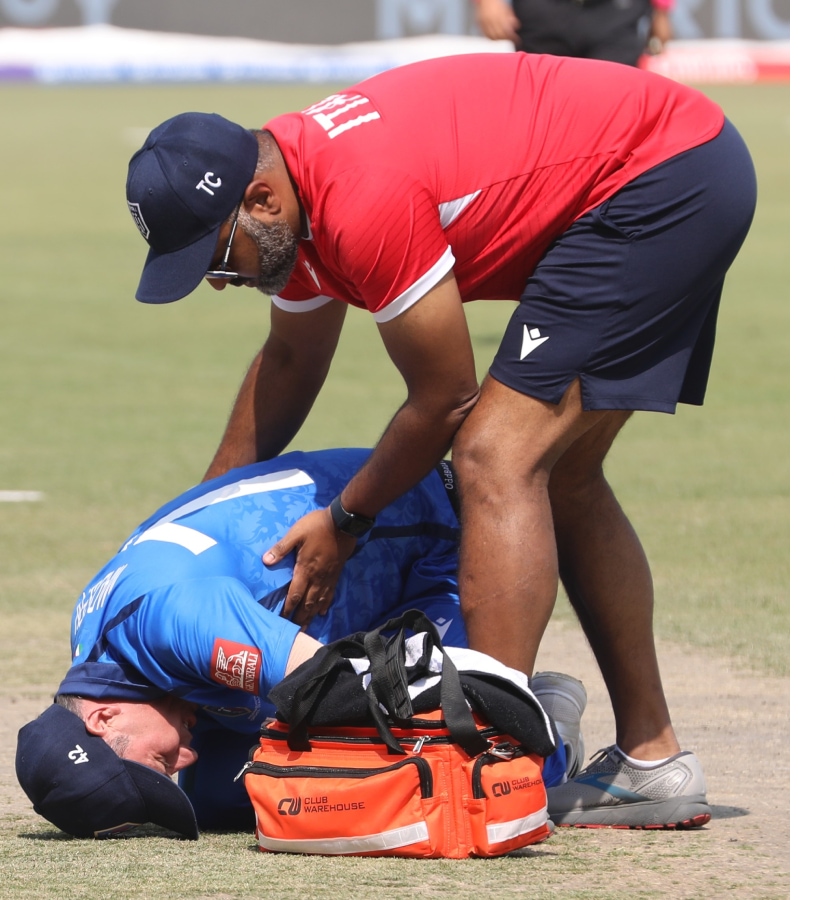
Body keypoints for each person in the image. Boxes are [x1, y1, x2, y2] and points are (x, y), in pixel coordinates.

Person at [122, 52, 753, 828]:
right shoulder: (291, 197)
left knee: (495, 452)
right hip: (672, 163)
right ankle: (652, 760)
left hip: (664, 176)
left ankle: (494, 767)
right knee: (562, 472)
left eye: (217, 258)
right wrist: (189, 524)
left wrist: (347, 521)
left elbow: (445, 398)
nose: (219, 283)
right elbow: (290, 361)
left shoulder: (359, 197)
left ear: (261, 200)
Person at [13, 448, 585, 837]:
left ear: (103, 717)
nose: (181, 757)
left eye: (160, 759)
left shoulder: (172, 620)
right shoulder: (97, 649)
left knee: (473, 772)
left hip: (445, 540)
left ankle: (544, 721)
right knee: (219, 800)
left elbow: (342, 685)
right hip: (354, 608)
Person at [474, 0, 674, 65]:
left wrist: (662, 9)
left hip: (616, 12)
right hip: (545, 10)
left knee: (617, 100)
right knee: (543, 104)